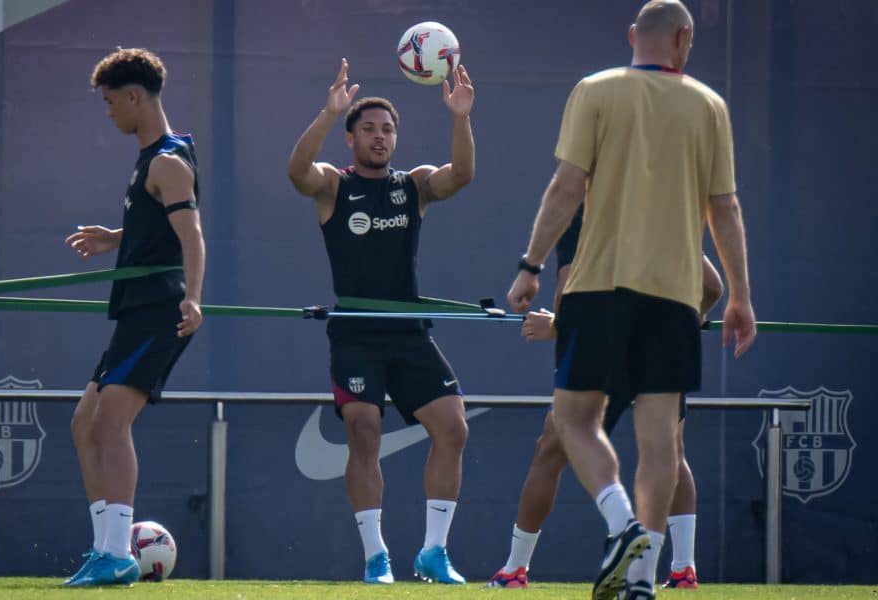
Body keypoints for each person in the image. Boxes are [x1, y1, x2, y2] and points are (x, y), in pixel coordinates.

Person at [506, 1, 756, 598]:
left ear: (631, 37)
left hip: (598, 290)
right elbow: (725, 208)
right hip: (673, 297)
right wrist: (742, 297)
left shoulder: (594, 90)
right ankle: (641, 579)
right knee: (659, 438)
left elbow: (566, 186)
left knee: (572, 421)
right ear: (684, 39)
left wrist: (529, 266)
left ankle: (621, 526)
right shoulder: (709, 105)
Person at [286, 58, 474, 585]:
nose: (379, 137)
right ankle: (376, 557)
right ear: (350, 139)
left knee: (453, 429)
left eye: (387, 129)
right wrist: (328, 113)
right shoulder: (333, 186)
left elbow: (461, 176)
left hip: (408, 332)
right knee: (363, 432)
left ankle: (434, 553)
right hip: (356, 333)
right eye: (368, 128)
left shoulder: (413, 185)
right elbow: (297, 172)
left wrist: (460, 117)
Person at [489, 204, 723, 590]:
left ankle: (517, 569)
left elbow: (567, 286)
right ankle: (681, 569)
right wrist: (688, 319)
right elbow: (712, 286)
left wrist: (555, 328)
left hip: (602, 346)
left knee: (554, 445)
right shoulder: (663, 206)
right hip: (662, 345)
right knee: (669, 451)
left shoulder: (579, 211)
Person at [61, 47, 205, 586]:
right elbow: (164, 225)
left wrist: (194, 299)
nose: (108, 113)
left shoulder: (167, 161)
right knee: (83, 424)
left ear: (133, 97)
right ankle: (105, 548)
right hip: (135, 312)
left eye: (109, 103)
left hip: (160, 311)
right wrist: (117, 239)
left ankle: (118, 552)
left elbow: (193, 235)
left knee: (110, 421)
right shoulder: (154, 161)